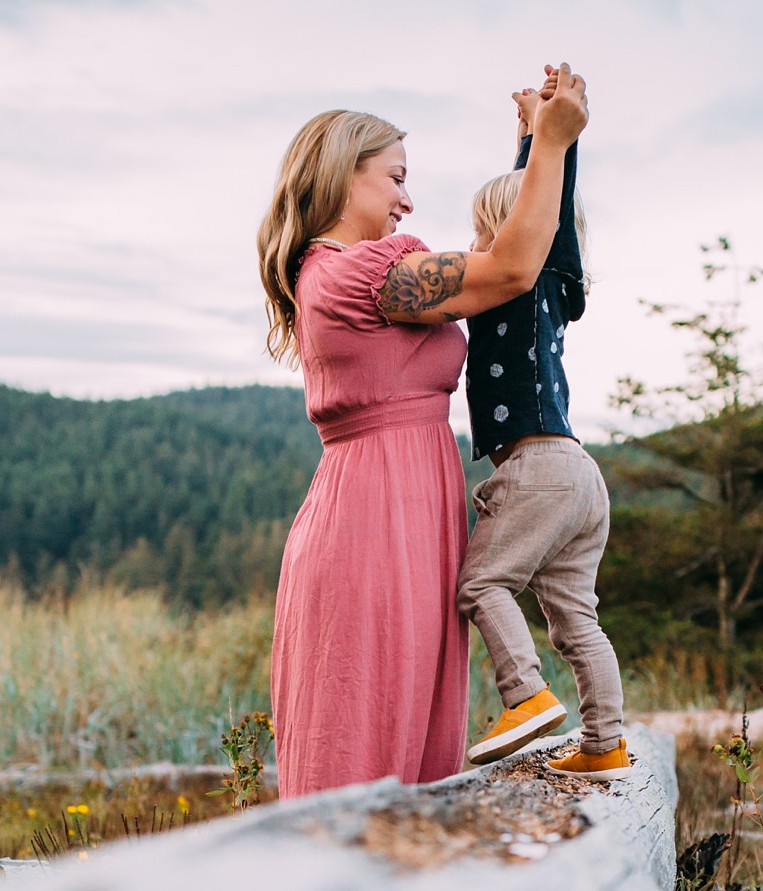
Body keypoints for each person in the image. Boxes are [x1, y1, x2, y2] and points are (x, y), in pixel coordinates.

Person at [254, 67, 590, 799]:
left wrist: (535, 140)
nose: (408, 198)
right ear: (343, 177)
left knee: (415, 725)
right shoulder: (356, 276)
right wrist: (554, 149)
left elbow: (512, 254)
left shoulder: (364, 275)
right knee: (363, 734)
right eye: (395, 177)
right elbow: (511, 265)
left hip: (412, 507)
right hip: (372, 521)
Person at [458, 79, 630, 780]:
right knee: (576, 622)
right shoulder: (556, 288)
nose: (473, 243)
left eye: (480, 228)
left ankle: (524, 694)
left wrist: (553, 140)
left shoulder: (516, 277)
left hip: (538, 468)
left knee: (482, 585)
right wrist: (539, 135)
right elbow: (544, 205)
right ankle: (605, 745)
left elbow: (542, 209)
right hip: (580, 477)